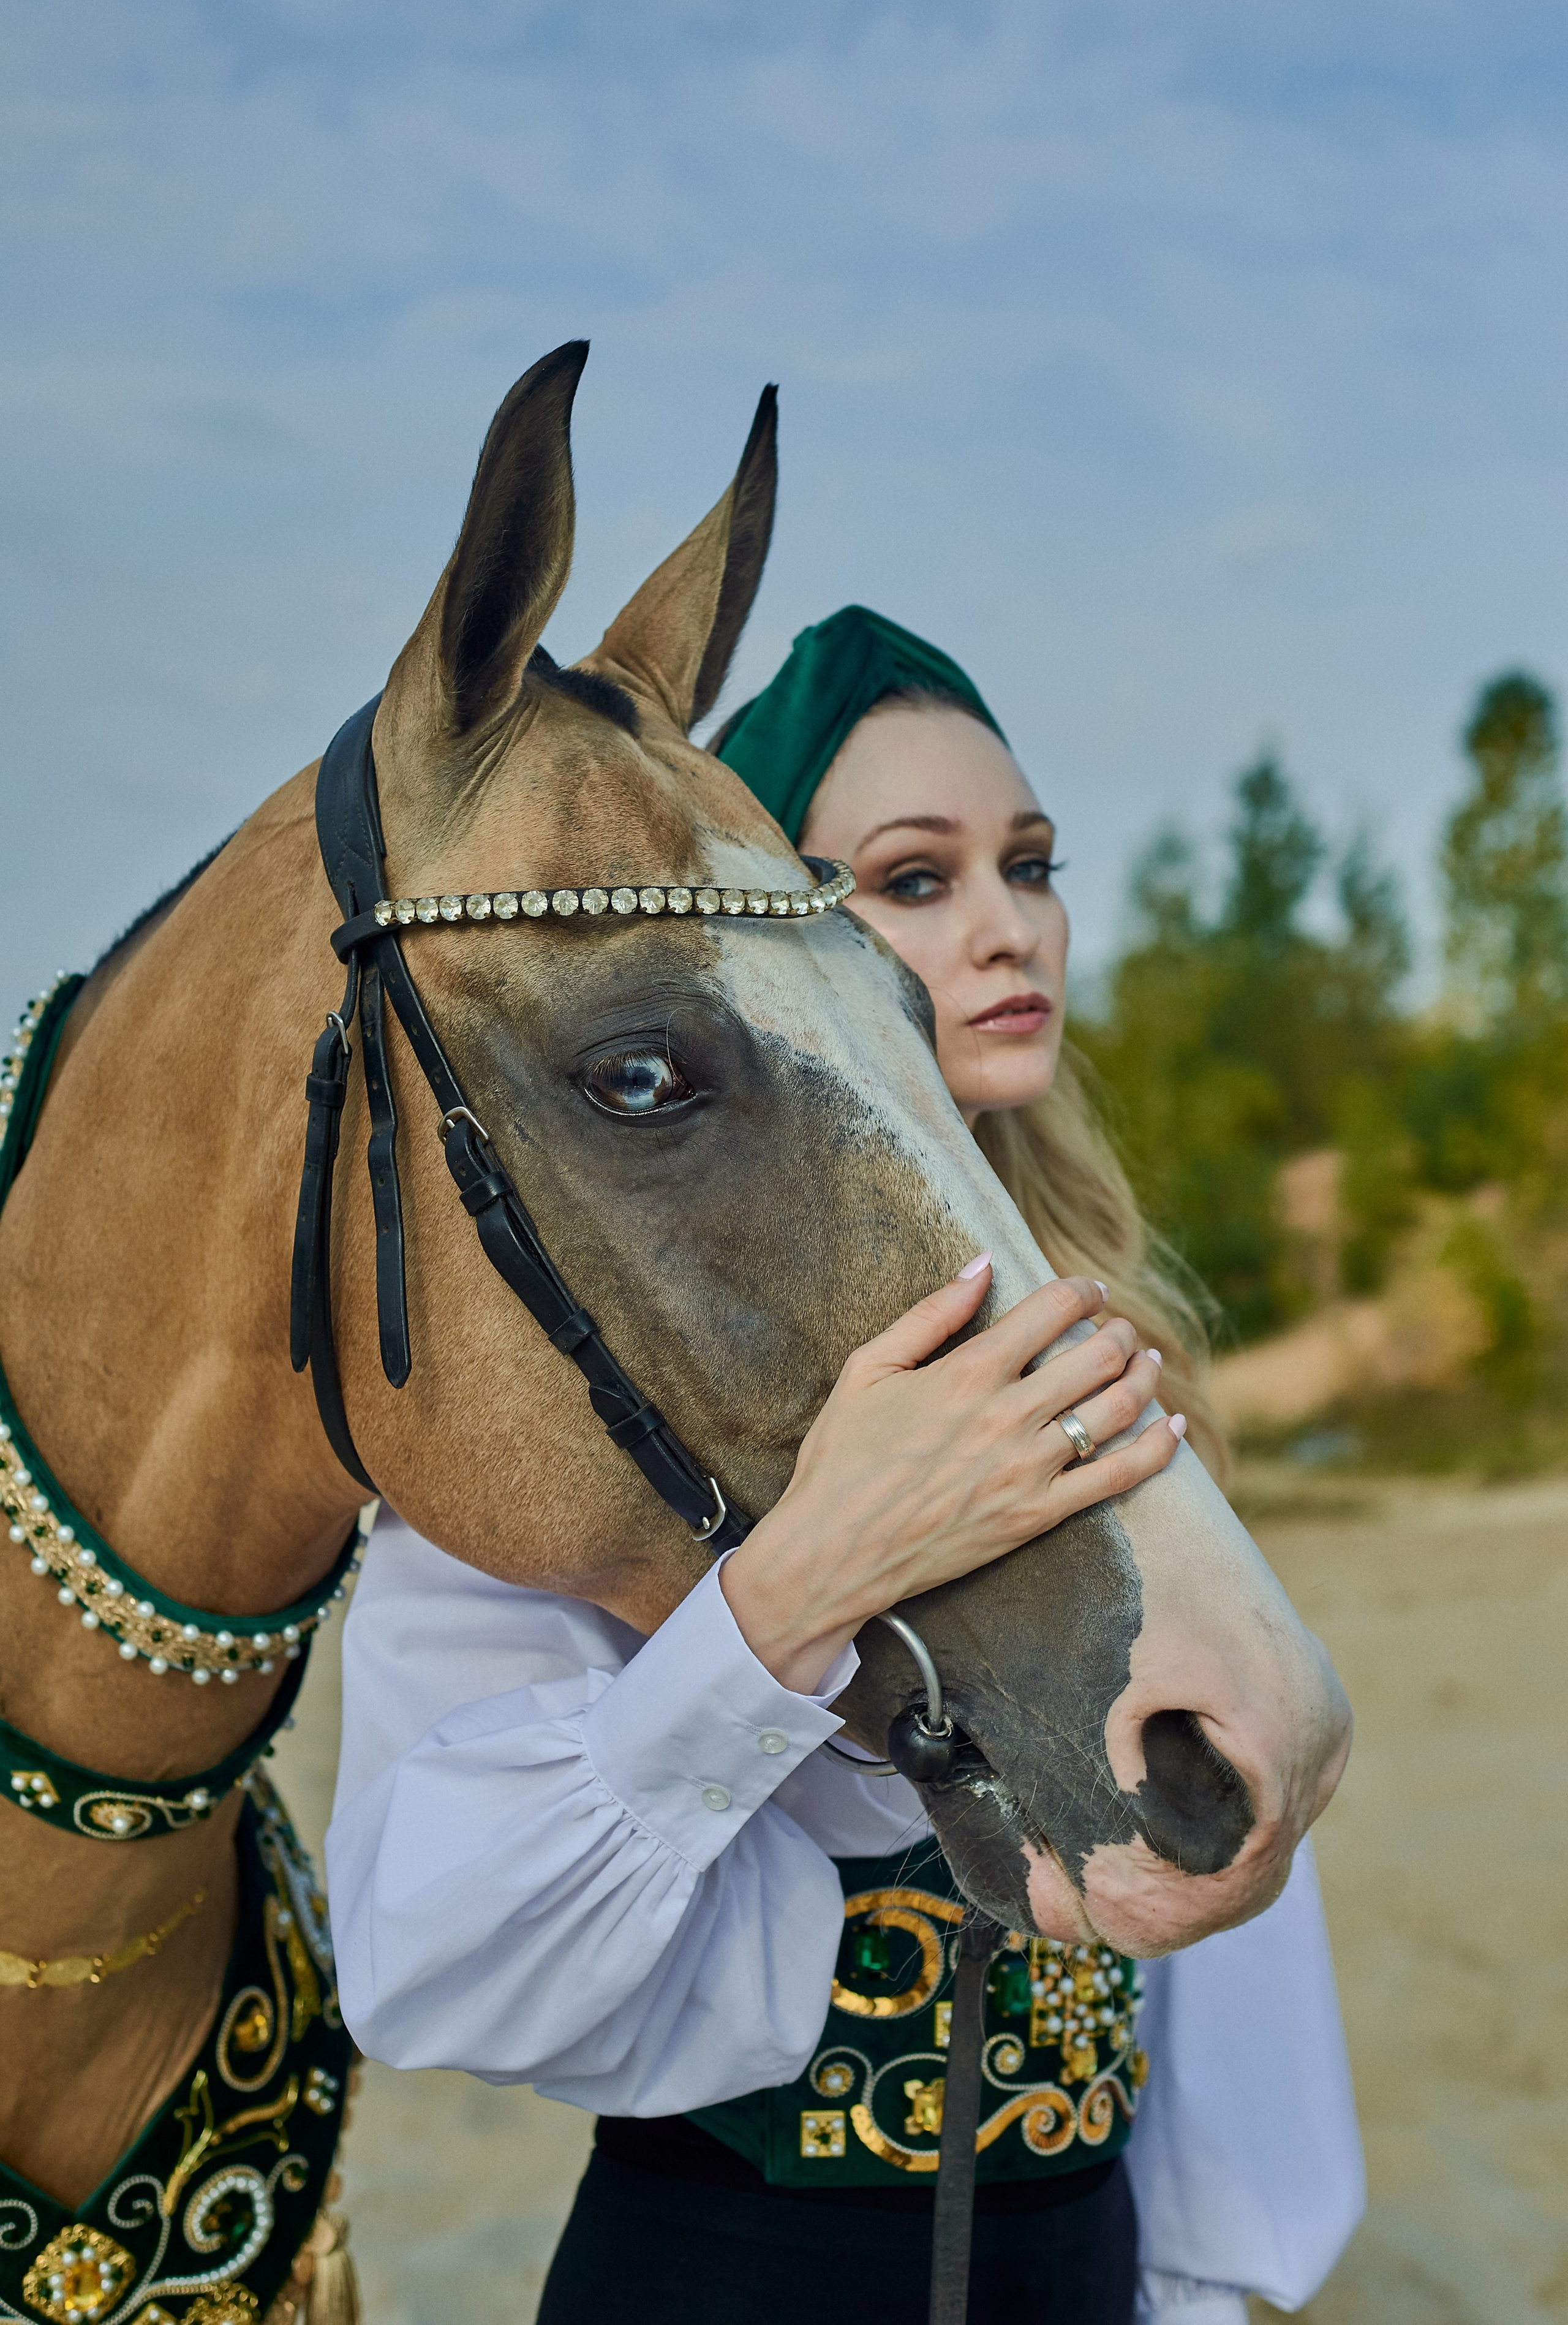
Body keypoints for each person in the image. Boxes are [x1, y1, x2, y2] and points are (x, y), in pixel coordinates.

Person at [326, 610, 1362, 2325]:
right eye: (912, 880)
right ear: (769, 937)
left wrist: (1197, 2290)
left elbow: (1219, 1990)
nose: (1007, 927)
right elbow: (441, 1967)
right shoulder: (603, 1360)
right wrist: (800, 1585)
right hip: (732, 2279)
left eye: (1027, 864)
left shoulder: (1123, 1329)